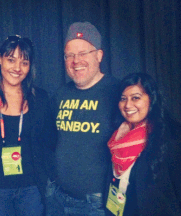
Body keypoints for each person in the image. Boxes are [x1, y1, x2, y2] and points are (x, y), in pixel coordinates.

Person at [0, 35, 55, 216]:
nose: (17, 68)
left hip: (31, 190)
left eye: (24, 62)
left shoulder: (41, 98)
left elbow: (49, 141)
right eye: (11, 60)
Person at [46, 22, 120, 215]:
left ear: (99, 55)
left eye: (83, 53)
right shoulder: (60, 95)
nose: (75, 61)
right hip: (56, 198)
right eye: (69, 55)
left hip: (95, 204)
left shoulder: (118, 93)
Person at [105, 73, 181, 216]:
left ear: (151, 100)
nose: (127, 105)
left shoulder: (172, 138)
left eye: (136, 98)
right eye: (123, 99)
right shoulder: (118, 136)